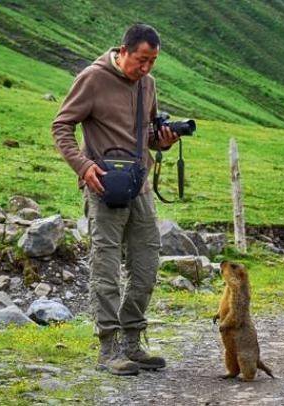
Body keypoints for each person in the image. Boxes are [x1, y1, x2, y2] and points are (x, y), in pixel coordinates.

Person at [51, 23, 179, 376]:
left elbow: (146, 136)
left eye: (153, 61)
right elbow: (61, 125)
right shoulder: (92, 79)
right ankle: (108, 348)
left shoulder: (148, 85)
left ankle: (133, 344)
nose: (146, 68)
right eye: (141, 59)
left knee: (146, 265)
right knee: (105, 267)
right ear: (123, 51)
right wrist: (82, 165)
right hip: (103, 186)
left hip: (140, 188)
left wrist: (163, 141)